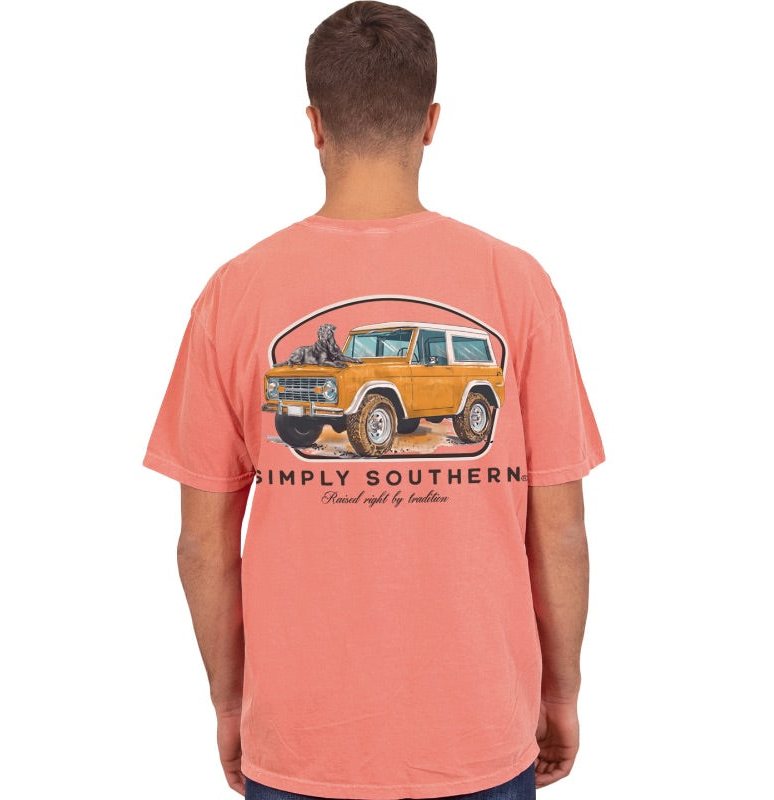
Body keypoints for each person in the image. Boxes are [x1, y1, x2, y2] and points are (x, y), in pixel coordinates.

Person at [143, 2, 605, 798]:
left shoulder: (236, 293)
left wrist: (231, 704)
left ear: (314, 124)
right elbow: (559, 527)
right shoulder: (517, 284)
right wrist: (560, 692)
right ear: (430, 123)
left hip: (299, 737)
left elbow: (202, 544)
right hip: (480, 730)